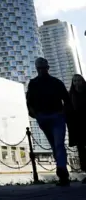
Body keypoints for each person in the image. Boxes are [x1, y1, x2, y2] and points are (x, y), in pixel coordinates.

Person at [26, 57, 71, 186]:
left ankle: (62, 171)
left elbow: (67, 100)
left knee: (58, 144)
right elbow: (29, 101)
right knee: (55, 145)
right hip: (43, 118)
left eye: (43, 68)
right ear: (36, 68)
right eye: (39, 68)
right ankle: (63, 173)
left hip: (57, 116)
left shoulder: (56, 82)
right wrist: (35, 114)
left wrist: (63, 113)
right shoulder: (33, 83)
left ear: (47, 68)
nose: (41, 70)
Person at [68, 74, 86, 183]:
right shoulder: (71, 95)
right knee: (82, 151)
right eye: (74, 81)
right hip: (78, 127)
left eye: (78, 80)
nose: (76, 83)